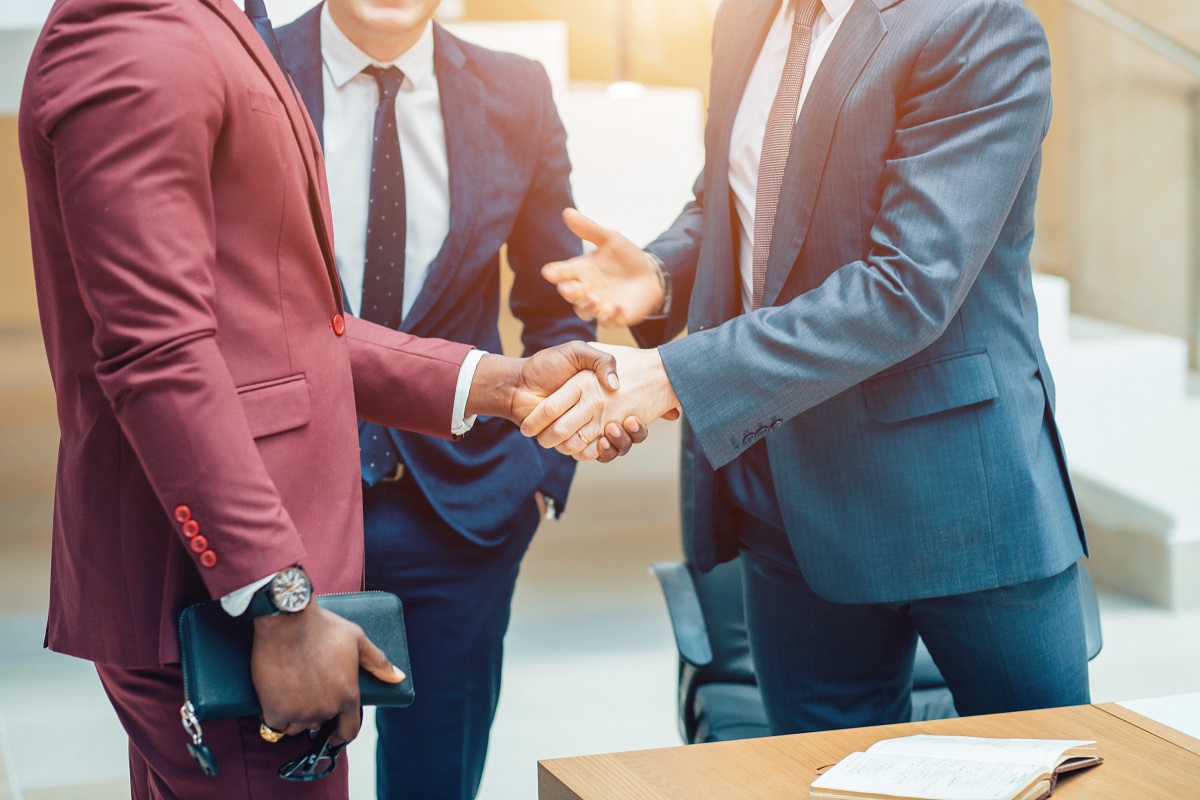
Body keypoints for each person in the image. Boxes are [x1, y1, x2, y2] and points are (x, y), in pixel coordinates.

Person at [17, 0, 638, 795]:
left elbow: (292, 332)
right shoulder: (138, 28)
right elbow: (159, 353)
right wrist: (277, 597)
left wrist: (506, 386)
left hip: (405, 526)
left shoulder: (219, 21)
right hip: (224, 592)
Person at [533, 0, 1092, 734]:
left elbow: (906, 289)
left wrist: (671, 373)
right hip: (787, 500)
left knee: (1049, 766)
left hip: (960, 503)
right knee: (822, 777)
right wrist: (663, 273)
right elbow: (738, 200)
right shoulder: (743, 18)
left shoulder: (977, 25)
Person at [276, 2, 594, 796]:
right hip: (289, 512)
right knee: (280, 774)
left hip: (463, 513)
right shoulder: (252, 67)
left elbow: (557, 300)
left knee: (439, 781)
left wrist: (541, 474)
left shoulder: (513, 91)